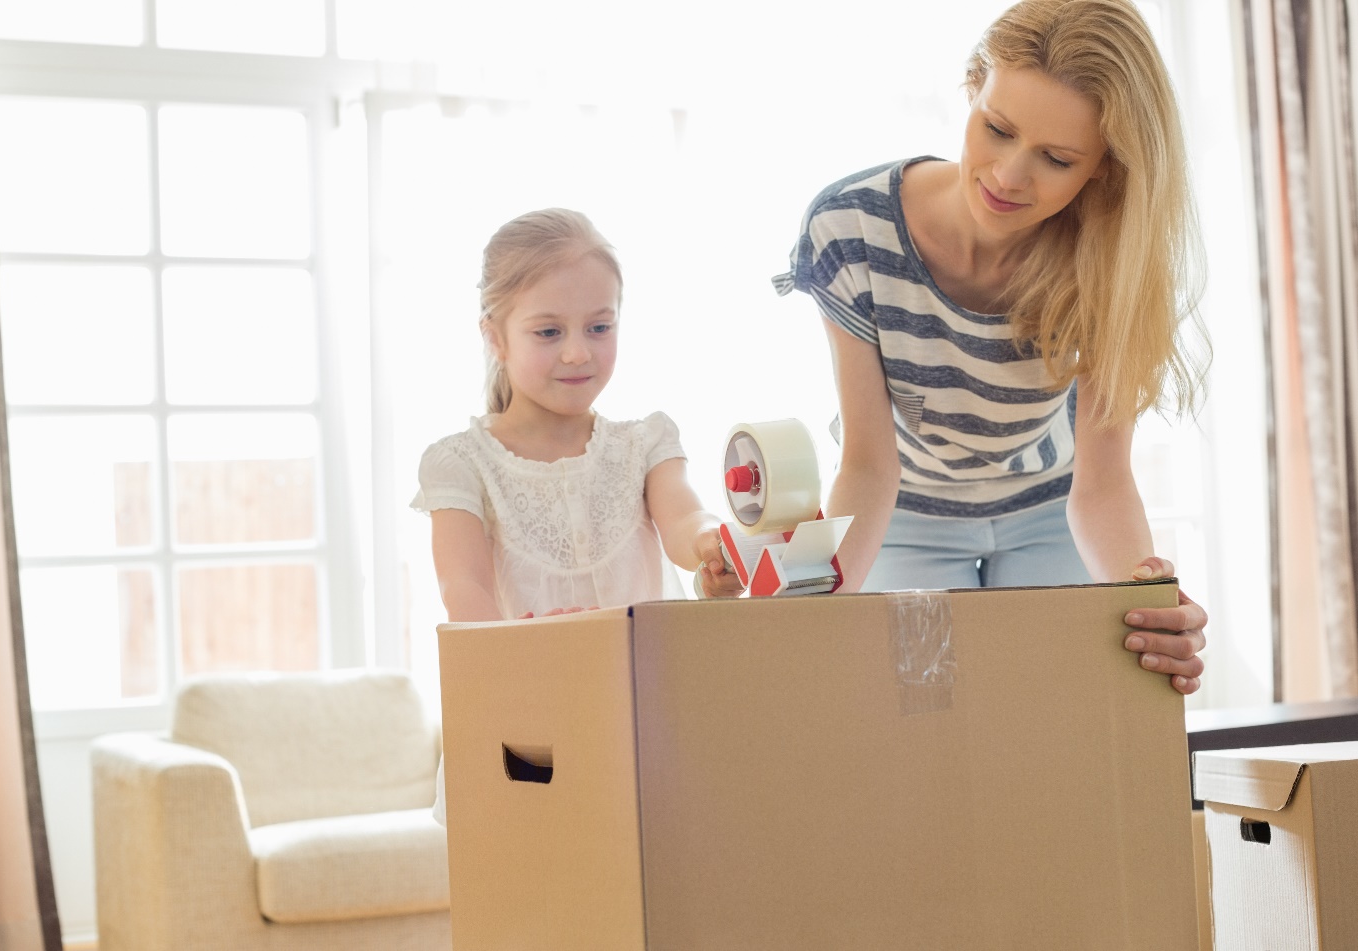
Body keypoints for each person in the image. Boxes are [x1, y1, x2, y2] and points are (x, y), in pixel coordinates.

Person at [775, 0, 1209, 694]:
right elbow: (866, 465)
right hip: (907, 508)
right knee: (919, 719)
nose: (1008, 175)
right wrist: (806, 609)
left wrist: (1147, 602)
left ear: (1102, 168)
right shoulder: (851, 226)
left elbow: (1100, 485)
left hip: (1050, 502)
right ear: (972, 85)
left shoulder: (1108, 258)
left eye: (1056, 158)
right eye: (997, 129)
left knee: (1059, 714)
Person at [413, 209, 741, 821]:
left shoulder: (643, 442)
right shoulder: (460, 463)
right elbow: (464, 588)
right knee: (543, 898)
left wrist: (714, 549)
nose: (576, 352)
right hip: (525, 732)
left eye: (599, 326)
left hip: (643, 723)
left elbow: (685, 522)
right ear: (494, 335)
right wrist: (534, 651)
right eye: (547, 332)